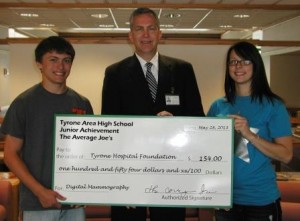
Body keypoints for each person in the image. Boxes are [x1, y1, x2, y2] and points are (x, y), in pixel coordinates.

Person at [101, 7, 205, 221]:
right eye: (139, 29)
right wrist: (120, 182)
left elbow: (198, 121)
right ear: (130, 35)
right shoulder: (114, 73)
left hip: (172, 172)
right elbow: (109, 130)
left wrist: (176, 125)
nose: (146, 35)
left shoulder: (183, 70)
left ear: (160, 33)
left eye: (151, 28)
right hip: (129, 172)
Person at [1, 36, 93, 221]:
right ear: (39, 64)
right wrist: (40, 191)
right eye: (53, 60)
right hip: (37, 204)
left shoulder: (82, 104)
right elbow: (10, 155)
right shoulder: (23, 103)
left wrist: (87, 188)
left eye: (66, 61)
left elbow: (89, 152)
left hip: (73, 203)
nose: (60, 67)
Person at [207, 41, 293, 221]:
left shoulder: (274, 106)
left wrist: (249, 134)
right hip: (225, 199)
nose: (238, 66)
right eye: (233, 62)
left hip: (260, 200)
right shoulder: (218, 106)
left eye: (245, 61)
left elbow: (286, 155)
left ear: (256, 65)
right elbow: (204, 146)